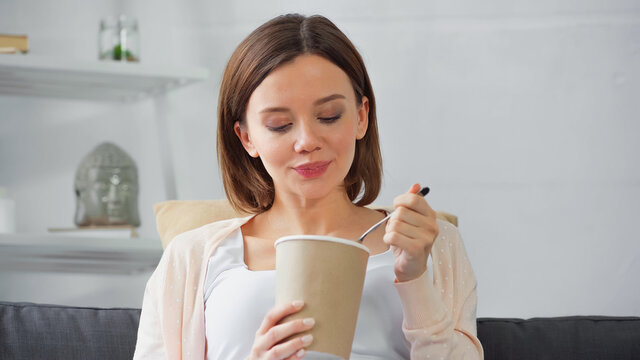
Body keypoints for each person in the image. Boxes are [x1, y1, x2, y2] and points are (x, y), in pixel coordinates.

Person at [134, 13, 483, 360]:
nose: (306, 141)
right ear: (246, 137)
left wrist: (414, 278)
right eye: (279, 124)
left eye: (329, 116)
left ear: (361, 117)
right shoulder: (191, 258)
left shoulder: (433, 244)